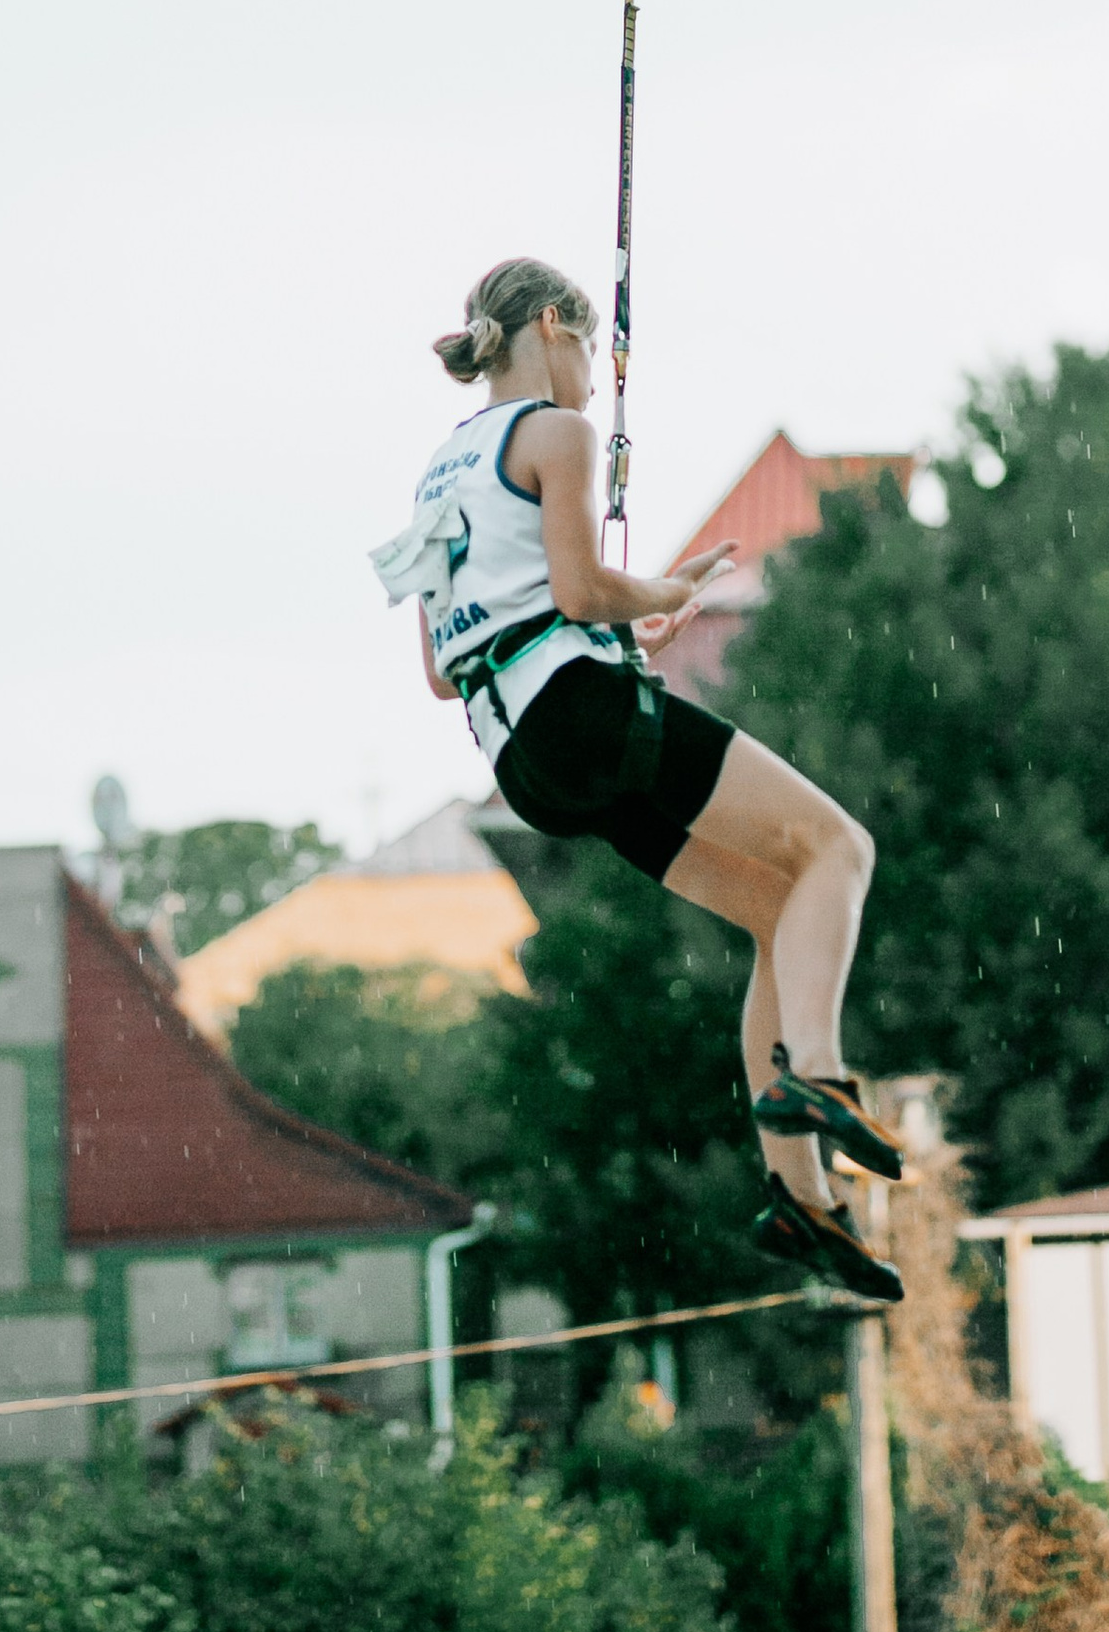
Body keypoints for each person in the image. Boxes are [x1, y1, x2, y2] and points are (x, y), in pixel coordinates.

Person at [370, 256, 904, 1302]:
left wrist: (634, 625)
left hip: (526, 758)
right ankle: (821, 1077)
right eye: (592, 361)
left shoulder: (438, 474)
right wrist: (655, 587)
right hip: (581, 713)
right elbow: (578, 584)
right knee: (840, 849)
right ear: (560, 328)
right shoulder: (554, 433)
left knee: (777, 912)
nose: (594, 390)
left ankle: (802, 1203)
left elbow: (444, 670)